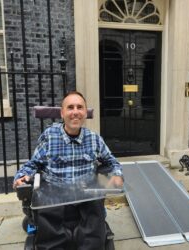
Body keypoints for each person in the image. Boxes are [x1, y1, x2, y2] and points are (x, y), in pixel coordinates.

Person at [13, 91, 124, 250]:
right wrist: (22, 176)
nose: (75, 112)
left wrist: (117, 175)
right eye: (70, 107)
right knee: (52, 237)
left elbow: (111, 161)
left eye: (80, 107)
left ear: (85, 112)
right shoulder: (50, 137)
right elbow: (33, 164)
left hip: (85, 192)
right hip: (54, 192)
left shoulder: (94, 139)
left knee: (92, 234)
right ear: (62, 112)